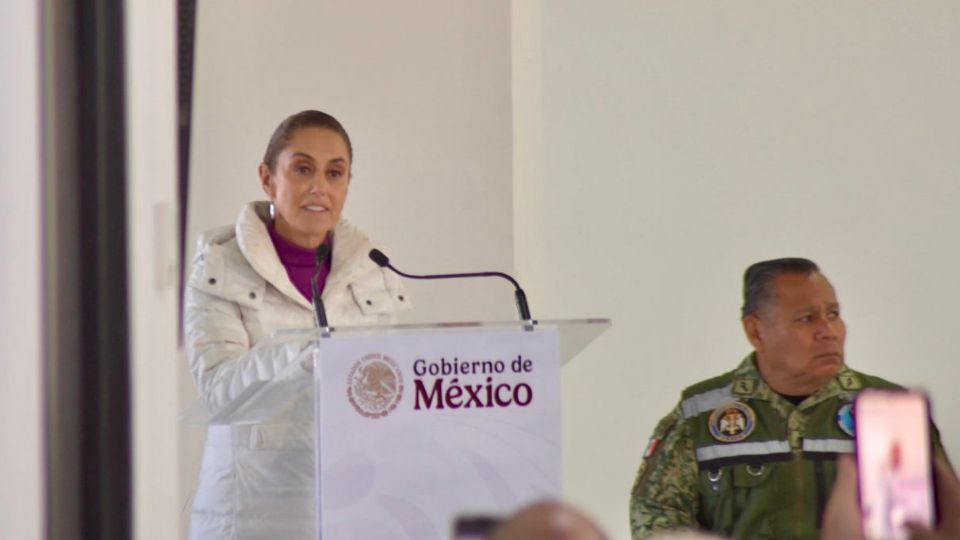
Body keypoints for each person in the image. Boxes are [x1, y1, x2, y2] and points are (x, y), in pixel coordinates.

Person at [184, 110, 411, 539]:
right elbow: (218, 394)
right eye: (303, 169)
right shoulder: (219, 266)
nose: (319, 187)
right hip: (249, 516)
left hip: (355, 510)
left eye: (334, 173)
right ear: (268, 178)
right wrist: (303, 353)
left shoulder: (373, 269)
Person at [628, 257, 946, 539]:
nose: (828, 331)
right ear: (755, 332)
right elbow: (657, 517)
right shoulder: (702, 415)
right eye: (806, 319)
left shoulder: (887, 411)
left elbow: (938, 522)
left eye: (833, 314)